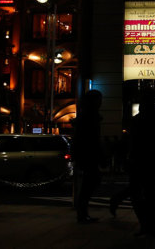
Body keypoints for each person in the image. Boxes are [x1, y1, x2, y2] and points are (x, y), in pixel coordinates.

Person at [128, 89, 155, 237]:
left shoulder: (137, 120)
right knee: (152, 193)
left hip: (139, 161)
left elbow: (130, 142)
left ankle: (146, 225)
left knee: (138, 195)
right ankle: (152, 225)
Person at [73, 89, 103, 223]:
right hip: (88, 154)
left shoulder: (86, 116)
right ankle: (82, 214)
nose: (100, 102)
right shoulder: (90, 117)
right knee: (89, 184)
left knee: (88, 183)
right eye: (98, 100)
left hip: (86, 154)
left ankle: (82, 213)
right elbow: (91, 139)